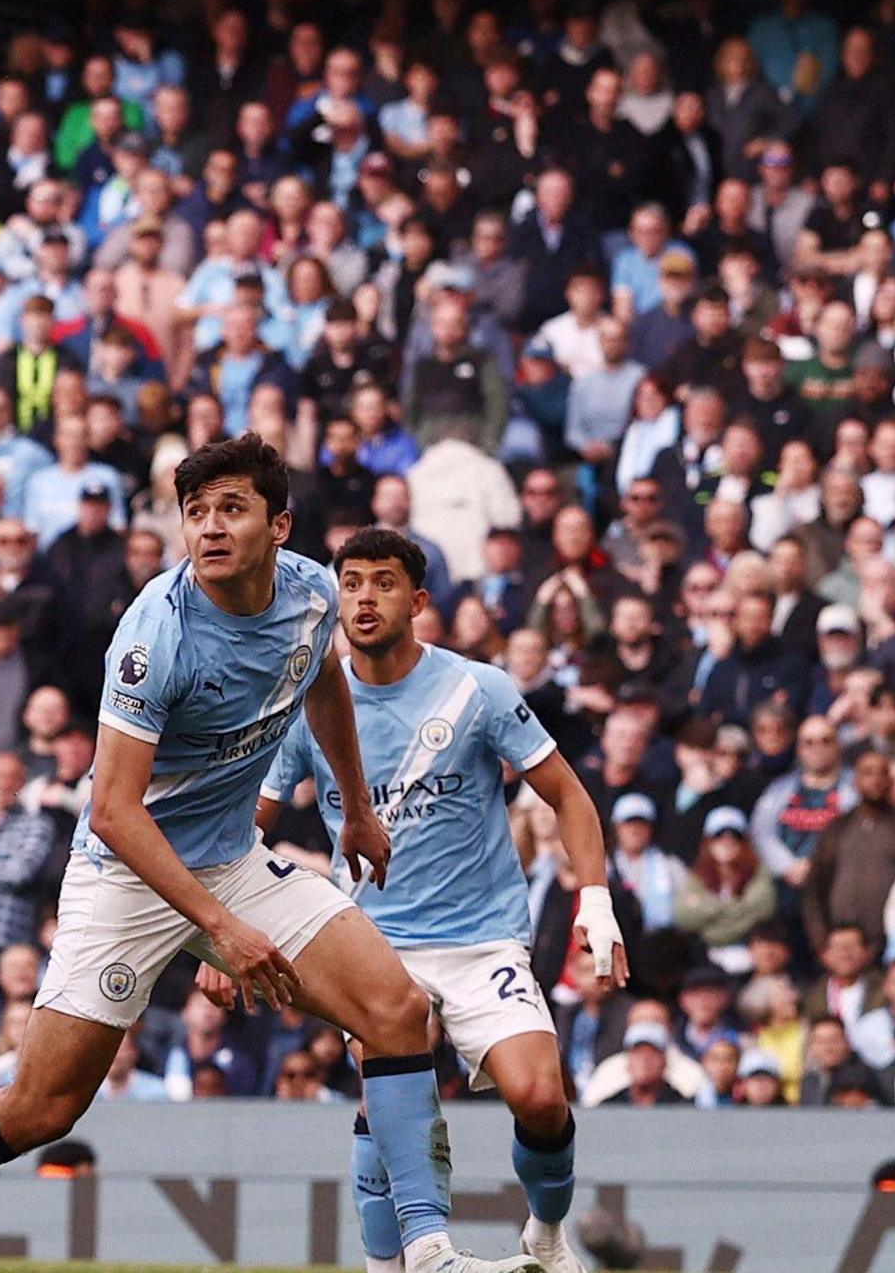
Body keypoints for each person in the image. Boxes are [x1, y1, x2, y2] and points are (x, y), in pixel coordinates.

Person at [0, 434, 532, 1273]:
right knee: (42, 1107)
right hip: (127, 875)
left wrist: (359, 808)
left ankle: (425, 1252)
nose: (210, 527)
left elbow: (323, 680)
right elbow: (115, 811)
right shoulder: (156, 635)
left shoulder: (311, 592)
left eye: (231, 508)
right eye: (196, 512)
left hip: (230, 858)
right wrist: (221, 929)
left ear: (279, 525)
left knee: (396, 1009)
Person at [241, 528, 628, 1273]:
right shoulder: (311, 701)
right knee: (384, 1098)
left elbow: (569, 797)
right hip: (371, 941)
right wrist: (226, 927)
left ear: (418, 600)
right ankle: (392, 1264)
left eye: (383, 583)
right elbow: (246, 826)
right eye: (351, 582)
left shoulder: (478, 689)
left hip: (482, 938)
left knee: (541, 1098)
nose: (364, 598)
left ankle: (546, 1232)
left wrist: (595, 899)